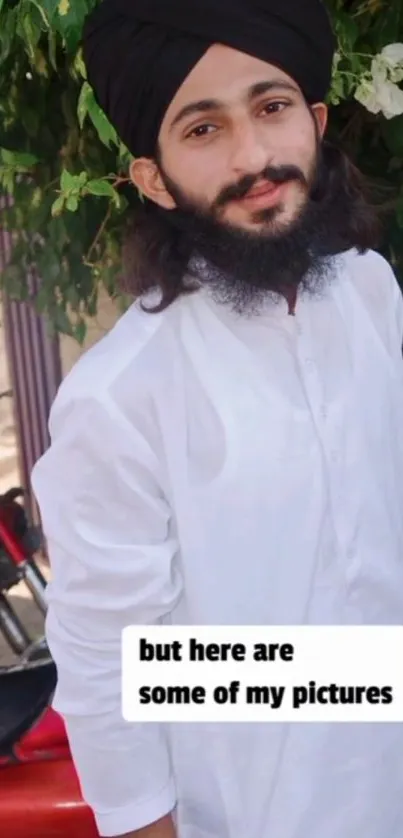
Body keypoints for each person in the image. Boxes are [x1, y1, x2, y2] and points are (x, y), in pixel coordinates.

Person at [31, 1, 403, 837]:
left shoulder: (372, 294)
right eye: (202, 130)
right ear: (153, 178)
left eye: (270, 109)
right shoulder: (120, 396)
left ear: (312, 121)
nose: (254, 157)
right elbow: (102, 662)